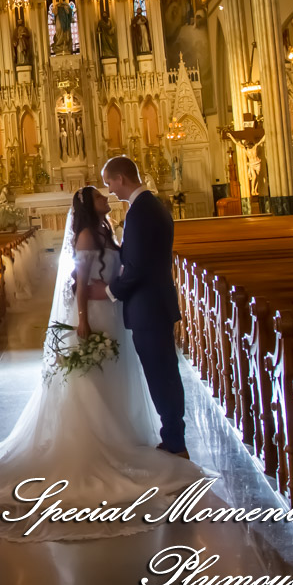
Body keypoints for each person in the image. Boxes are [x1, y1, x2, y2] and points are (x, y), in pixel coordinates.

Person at [0, 182, 208, 540]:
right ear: (88, 205)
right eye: (100, 196)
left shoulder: (105, 230)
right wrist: (82, 320)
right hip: (96, 315)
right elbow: (81, 284)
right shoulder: (86, 236)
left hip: (112, 315)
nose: (106, 197)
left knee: (113, 374)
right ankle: (95, 439)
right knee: (91, 378)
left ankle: (118, 434)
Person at [103, 155, 187, 457]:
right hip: (156, 303)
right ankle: (174, 437)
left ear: (121, 178)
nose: (110, 190)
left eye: (110, 183)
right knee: (165, 373)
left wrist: (110, 290)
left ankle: (175, 442)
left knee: (160, 375)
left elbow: (136, 267)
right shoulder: (152, 206)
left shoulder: (140, 212)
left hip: (148, 307)